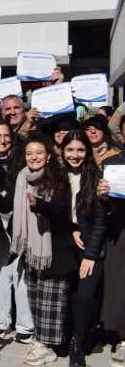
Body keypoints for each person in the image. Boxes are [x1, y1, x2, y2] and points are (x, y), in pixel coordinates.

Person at [11, 136, 76, 366]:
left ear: (48, 155)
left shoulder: (57, 177)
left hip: (54, 248)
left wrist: (40, 206)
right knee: (36, 297)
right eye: (29, 153)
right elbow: (16, 210)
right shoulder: (21, 177)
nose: (34, 157)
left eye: (39, 152)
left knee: (51, 298)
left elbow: (61, 212)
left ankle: (47, 345)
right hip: (32, 248)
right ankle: (41, 340)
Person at [0, 122, 34, 343]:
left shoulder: (22, 160)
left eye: (6, 136)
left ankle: (25, 326)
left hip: (20, 222)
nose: (2, 140)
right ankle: (0, 322)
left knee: (22, 275)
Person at [58, 131, 106, 367]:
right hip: (67, 242)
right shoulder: (57, 177)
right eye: (70, 150)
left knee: (85, 294)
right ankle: (72, 335)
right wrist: (71, 229)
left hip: (91, 245)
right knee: (69, 294)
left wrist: (90, 255)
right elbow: (57, 214)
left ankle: (78, 343)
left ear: (87, 152)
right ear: (62, 151)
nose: (74, 155)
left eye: (80, 150)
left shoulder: (96, 178)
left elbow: (101, 221)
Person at [98, 151, 125, 365]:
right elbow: (107, 209)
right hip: (121, 231)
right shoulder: (113, 164)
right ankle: (123, 339)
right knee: (121, 287)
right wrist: (106, 198)